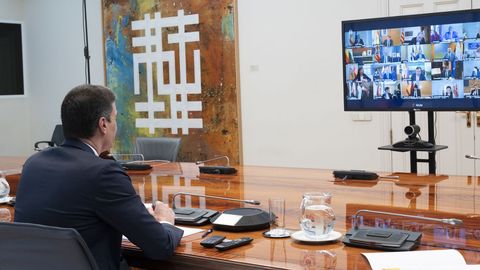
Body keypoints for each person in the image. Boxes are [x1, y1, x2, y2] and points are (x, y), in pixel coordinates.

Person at [14, 84, 184, 270]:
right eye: (115, 119)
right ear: (103, 124)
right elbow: (160, 246)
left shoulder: (33, 164)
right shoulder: (103, 173)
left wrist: (136, 215)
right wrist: (165, 220)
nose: (116, 126)